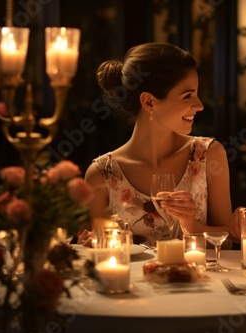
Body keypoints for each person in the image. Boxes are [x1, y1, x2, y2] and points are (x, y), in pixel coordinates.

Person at [81, 42, 234, 247]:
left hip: (199, 279)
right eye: (187, 96)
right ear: (150, 102)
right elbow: (100, 254)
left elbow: (228, 242)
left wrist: (191, 224)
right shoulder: (102, 174)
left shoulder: (208, 155)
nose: (199, 105)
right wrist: (91, 243)